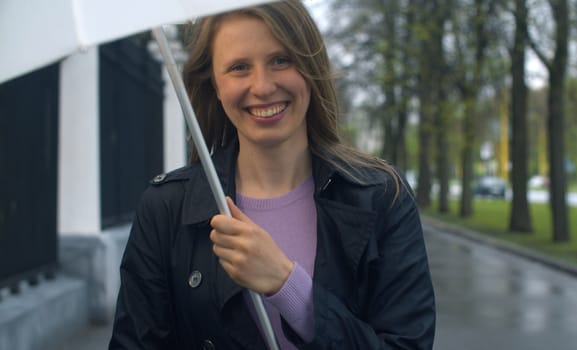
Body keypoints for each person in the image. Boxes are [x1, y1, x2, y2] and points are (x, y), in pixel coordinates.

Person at [109, 0, 435, 349]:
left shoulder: (382, 196)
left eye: (281, 60)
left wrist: (287, 285)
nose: (262, 86)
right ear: (215, 86)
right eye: (238, 67)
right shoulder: (166, 209)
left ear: (310, 67)